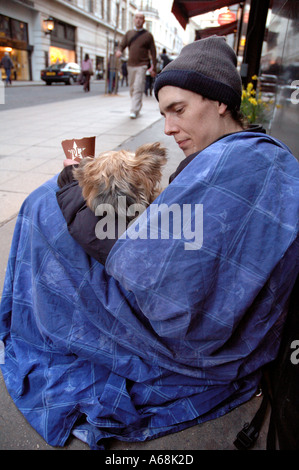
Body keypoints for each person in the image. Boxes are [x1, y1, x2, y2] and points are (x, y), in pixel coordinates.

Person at [0, 36, 298, 451]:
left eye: (178, 110)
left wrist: (73, 193)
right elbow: (175, 237)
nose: (169, 127)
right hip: (187, 301)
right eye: (162, 114)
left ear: (220, 102)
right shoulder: (241, 154)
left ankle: (35, 318)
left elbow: (156, 265)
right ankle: (33, 314)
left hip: (189, 338)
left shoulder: (238, 162)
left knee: (44, 210)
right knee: (50, 205)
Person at [115, 11, 157, 119]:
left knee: (138, 87)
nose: (138, 20)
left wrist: (154, 67)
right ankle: (138, 104)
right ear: (134, 20)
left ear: (143, 21)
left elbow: (153, 52)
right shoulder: (129, 33)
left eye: (140, 18)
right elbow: (122, 45)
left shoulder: (148, 35)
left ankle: (134, 110)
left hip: (142, 65)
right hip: (131, 65)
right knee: (132, 88)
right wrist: (119, 51)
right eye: (136, 17)